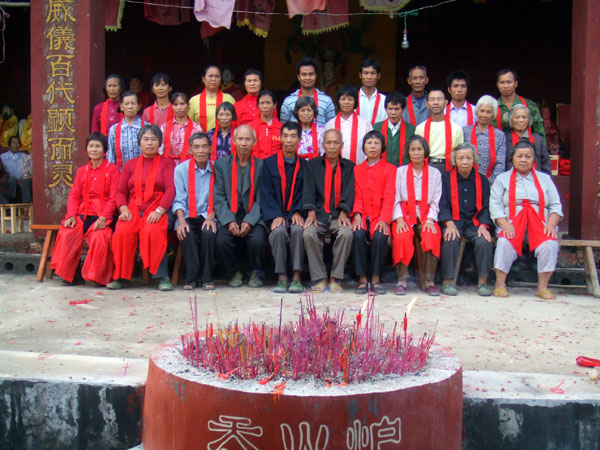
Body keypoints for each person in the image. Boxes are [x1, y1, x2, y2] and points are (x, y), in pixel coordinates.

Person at [490, 142, 563, 299]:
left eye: (528, 156)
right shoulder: (502, 179)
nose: (523, 160)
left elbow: (555, 205)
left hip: (541, 224)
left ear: (533, 160)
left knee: (549, 244)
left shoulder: (545, 179)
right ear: (513, 158)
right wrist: (505, 224)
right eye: (519, 156)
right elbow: (495, 205)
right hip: (512, 223)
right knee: (504, 242)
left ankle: (542, 288)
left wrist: (551, 225)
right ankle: (500, 285)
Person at [108, 124, 175, 291]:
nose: (150, 143)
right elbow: (120, 191)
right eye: (146, 139)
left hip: (157, 208)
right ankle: (122, 277)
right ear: (139, 142)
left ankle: (163, 276)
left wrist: (160, 211)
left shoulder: (167, 163)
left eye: (154, 139)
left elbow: (170, 190)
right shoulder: (130, 165)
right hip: (133, 209)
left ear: (160, 142)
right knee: (122, 232)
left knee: (153, 231)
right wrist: (123, 209)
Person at [50, 133, 120, 285]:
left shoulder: (113, 170)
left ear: (104, 150)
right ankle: (72, 275)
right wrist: (71, 215)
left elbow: (114, 197)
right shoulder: (82, 171)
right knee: (67, 233)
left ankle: (98, 276)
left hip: (103, 215)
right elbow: (74, 195)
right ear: (86, 149)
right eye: (91, 146)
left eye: (98, 146)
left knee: (100, 237)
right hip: (84, 212)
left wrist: (104, 218)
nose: (94, 149)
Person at [213, 125, 266, 288]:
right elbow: (219, 196)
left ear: (254, 142)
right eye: (240, 139)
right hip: (230, 213)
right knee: (221, 241)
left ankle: (254, 272)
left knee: (258, 241)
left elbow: (261, 198)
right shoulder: (222, 165)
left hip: (253, 214)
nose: (243, 143)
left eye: (247, 139)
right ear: (234, 141)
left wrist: (250, 221)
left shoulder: (261, 166)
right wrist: (229, 221)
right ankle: (234, 272)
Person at [303, 128, 355, 294]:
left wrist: (344, 211)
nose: (332, 146)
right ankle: (320, 277)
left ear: (342, 145)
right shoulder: (312, 165)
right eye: (329, 143)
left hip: (338, 215)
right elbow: (308, 191)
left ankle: (335, 278)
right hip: (318, 214)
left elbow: (350, 191)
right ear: (323, 145)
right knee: (308, 233)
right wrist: (311, 211)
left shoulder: (349, 167)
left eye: (336, 143)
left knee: (346, 234)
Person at [438, 143, 494, 297]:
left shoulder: (482, 180)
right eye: (461, 158)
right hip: (453, 221)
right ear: (455, 160)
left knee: (484, 241)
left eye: (469, 158)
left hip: (475, 223)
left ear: (474, 159)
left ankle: (483, 282)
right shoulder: (445, 179)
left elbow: (486, 206)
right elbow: (442, 204)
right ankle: (447, 282)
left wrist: (483, 225)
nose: (465, 162)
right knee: (450, 238)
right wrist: (448, 222)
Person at [391, 135, 442, 296]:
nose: (416, 153)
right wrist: (399, 218)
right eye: (413, 149)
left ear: (425, 151)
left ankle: (428, 281)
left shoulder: (435, 173)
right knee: (402, 236)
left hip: (426, 213)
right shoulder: (400, 172)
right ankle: (402, 280)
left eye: (419, 149)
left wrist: (430, 219)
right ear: (408, 152)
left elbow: (436, 200)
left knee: (430, 235)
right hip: (404, 212)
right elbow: (395, 198)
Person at [261, 122, 306, 293]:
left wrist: (298, 211)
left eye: (293, 136)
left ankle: (297, 276)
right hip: (276, 213)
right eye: (285, 136)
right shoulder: (269, 164)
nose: (289, 140)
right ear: (280, 138)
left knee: (298, 230)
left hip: (295, 213)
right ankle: (281, 277)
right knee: (278, 231)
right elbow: (266, 192)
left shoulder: (305, 165)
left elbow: (306, 192)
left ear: (299, 140)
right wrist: (276, 214)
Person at [352, 130, 396, 295]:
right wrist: (357, 214)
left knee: (380, 235)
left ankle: (376, 278)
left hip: (380, 215)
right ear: (363, 147)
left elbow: (390, 196)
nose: (372, 146)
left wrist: (384, 219)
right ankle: (362, 278)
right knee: (357, 234)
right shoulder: (357, 169)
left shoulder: (390, 169)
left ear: (382, 147)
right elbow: (356, 194)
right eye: (369, 143)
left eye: (376, 143)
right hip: (362, 214)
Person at [172, 132, 217, 290]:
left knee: (208, 232)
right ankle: (191, 278)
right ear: (190, 150)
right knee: (186, 232)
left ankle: (207, 278)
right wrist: (181, 221)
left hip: (208, 214)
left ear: (210, 148)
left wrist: (211, 217)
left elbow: (219, 197)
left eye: (204, 147)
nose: (200, 151)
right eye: (196, 147)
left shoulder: (216, 168)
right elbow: (178, 199)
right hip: (186, 215)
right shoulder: (181, 170)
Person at [415, 89, 464, 173]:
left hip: (448, 168)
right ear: (427, 104)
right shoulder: (420, 128)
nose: (436, 102)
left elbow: (460, 154)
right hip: (426, 166)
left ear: (445, 103)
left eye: (439, 99)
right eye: (432, 99)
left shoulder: (456, 128)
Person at [280, 56, 336, 127]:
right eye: (304, 74)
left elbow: (332, 128)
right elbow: (283, 129)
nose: (307, 78)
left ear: (316, 76)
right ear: (298, 77)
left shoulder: (327, 101)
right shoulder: (288, 102)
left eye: (311, 74)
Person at [462, 95, 506, 185]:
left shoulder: (499, 135)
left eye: (488, 112)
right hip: (466, 181)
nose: (484, 115)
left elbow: (500, 162)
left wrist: (491, 182)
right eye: (482, 111)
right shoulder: (465, 131)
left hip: (490, 184)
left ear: (493, 114)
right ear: (477, 111)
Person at [325, 85, 372, 165]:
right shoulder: (330, 125)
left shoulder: (365, 124)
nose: (346, 102)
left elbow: (370, 147)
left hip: (359, 167)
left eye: (350, 99)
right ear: (338, 101)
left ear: (355, 101)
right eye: (343, 99)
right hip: (335, 168)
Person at [495, 68, 545, 138]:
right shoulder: (492, 107)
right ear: (497, 85)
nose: (505, 86)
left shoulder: (529, 105)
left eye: (509, 82)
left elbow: (540, 134)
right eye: (502, 82)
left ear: (515, 84)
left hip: (526, 144)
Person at [505, 104, 551, 175]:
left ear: (529, 120)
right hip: (510, 180)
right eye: (517, 117)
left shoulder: (538, 139)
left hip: (535, 179)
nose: (521, 120)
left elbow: (545, 164)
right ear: (511, 119)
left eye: (524, 117)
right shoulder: (505, 139)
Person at [373, 92, 415, 166]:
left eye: (397, 109)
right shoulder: (377, 128)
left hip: (403, 170)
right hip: (381, 170)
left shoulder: (411, 129)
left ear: (403, 109)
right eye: (390, 109)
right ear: (385, 109)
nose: (393, 113)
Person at [189, 65, 235, 132]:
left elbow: (235, 123)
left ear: (220, 79)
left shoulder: (229, 99)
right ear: (203, 79)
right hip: (200, 138)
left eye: (217, 76)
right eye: (210, 76)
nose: (213, 79)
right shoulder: (194, 100)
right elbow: (189, 126)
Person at [159, 92, 202, 164]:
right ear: (171, 106)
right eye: (175, 104)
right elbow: (160, 150)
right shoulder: (164, 127)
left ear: (188, 106)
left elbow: (199, 150)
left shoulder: (196, 128)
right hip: (168, 165)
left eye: (182, 104)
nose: (179, 108)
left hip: (189, 164)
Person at [107, 91, 145, 168]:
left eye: (133, 103)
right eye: (127, 104)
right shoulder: (114, 129)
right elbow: (111, 155)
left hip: (143, 171)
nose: (130, 107)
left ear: (138, 106)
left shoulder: (147, 127)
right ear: (121, 107)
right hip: (121, 172)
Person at [250, 90, 282, 159]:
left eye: (268, 103)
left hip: (276, 164)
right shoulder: (250, 127)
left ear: (275, 105)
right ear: (257, 105)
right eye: (262, 103)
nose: (265, 106)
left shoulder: (281, 128)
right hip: (255, 163)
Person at [0, 136, 32, 202]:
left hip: (22, 180)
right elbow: (3, 172)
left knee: (27, 181)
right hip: (9, 180)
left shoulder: (24, 156)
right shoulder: (3, 157)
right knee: (12, 180)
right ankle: (11, 201)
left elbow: (28, 171)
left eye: (17, 143)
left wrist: (22, 179)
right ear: (9, 144)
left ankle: (27, 204)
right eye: (13, 143)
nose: (16, 145)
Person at [356, 59, 387, 126]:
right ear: (360, 75)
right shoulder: (353, 98)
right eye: (366, 73)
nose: (369, 77)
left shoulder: (384, 100)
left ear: (378, 76)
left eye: (373, 73)